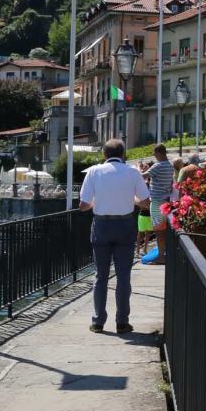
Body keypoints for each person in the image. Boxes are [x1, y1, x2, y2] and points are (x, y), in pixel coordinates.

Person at [79, 139, 149, 334]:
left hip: (101, 225)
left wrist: (97, 202)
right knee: (124, 276)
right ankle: (122, 322)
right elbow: (145, 202)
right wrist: (131, 200)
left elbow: (83, 206)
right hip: (125, 225)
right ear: (123, 154)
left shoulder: (93, 172)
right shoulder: (133, 172)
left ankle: (98, 321)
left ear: (104, 155)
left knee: (101, 276)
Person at [145, 144, 176, 263]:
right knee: (164, 230)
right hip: (166, 201)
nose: (154, 156)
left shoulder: (158, 166)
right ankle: (163, 254)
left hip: (156, 202)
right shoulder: (169, 166)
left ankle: (161, 257)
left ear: (159, 153)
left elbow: (144, 176)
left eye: (154, 153)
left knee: (158, 231)